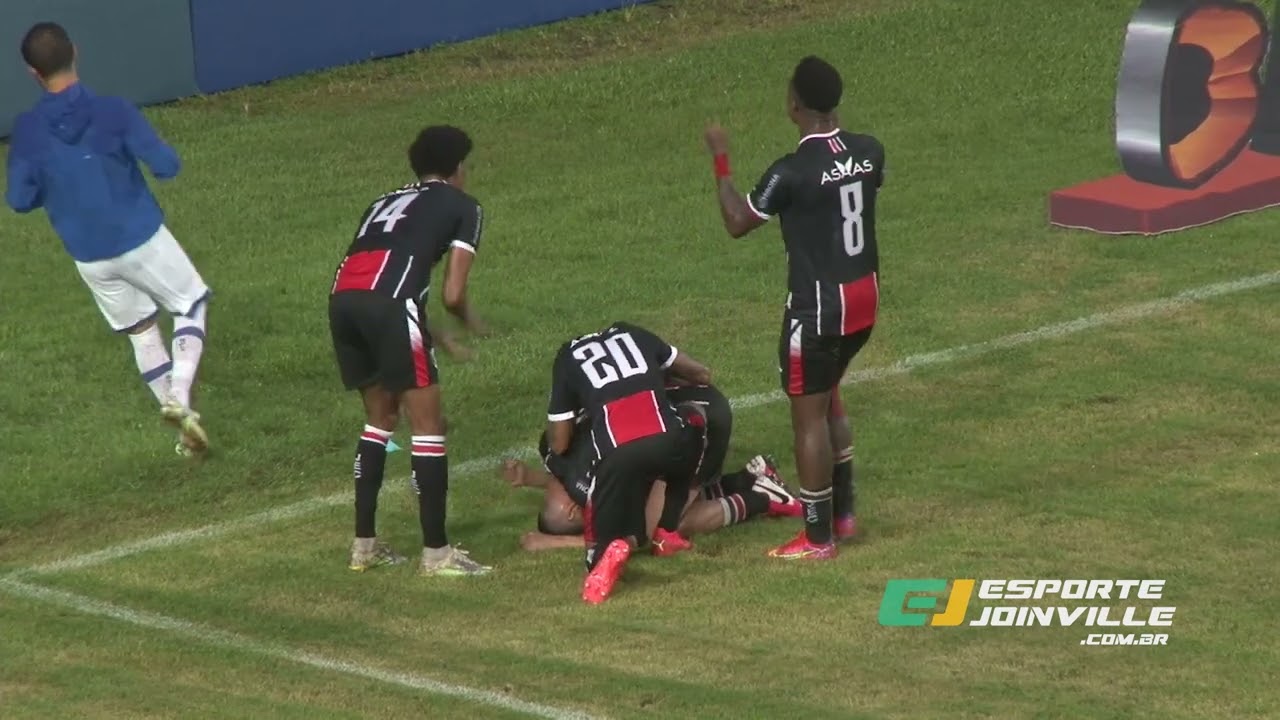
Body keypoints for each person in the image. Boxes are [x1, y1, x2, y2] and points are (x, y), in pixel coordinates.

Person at [703, 56, 884, 560]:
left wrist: (721, 162)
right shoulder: (870, 151)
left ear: (794, 104)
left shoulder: (792, 171)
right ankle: (844, 516)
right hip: (864, 299)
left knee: (809, 419)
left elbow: (738, 220)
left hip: (818, 308)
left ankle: (817, 537)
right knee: (833, 399)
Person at [5, 22, 210, 456]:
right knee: (191, 303)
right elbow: (167, 166)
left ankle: (184, 435)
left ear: (32, 73)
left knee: (141, 330)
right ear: (75, 52)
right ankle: (180, 397)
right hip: (139, 237)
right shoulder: (113, 111)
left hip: (89, 256)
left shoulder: (26, 131)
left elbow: (20, 201)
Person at [329, 125, 490, 576]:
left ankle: (364, 546)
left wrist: (434, 335)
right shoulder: (464, 206)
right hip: (392, 307)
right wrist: (469, 320)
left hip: (344, 302)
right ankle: (436, 554)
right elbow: (452, 293)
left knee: (380, 422)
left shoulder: (382, 202)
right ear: (458, 168)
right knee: (428, 426)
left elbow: (384, 275)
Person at [504, 382, 801, 551]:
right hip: (678, 396)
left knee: (663, 527)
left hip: (696, 421)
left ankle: (761, 499)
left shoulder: (585, 477)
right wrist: (531, 478)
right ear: (573, 508)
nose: (553, 480)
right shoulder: (563, 456)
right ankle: (749, 480)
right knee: (660, 502)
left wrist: (554, 542)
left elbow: (634, 541)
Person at [545, 321, 709, 604]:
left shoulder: (567, 357)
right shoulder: (635, 334)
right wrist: (661, 380)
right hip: (670, 443)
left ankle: (606, 555)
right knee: (694, 423)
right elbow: (701, 373)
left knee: (602, 528)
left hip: (617, 457)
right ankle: (666, 532)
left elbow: (559, 443)